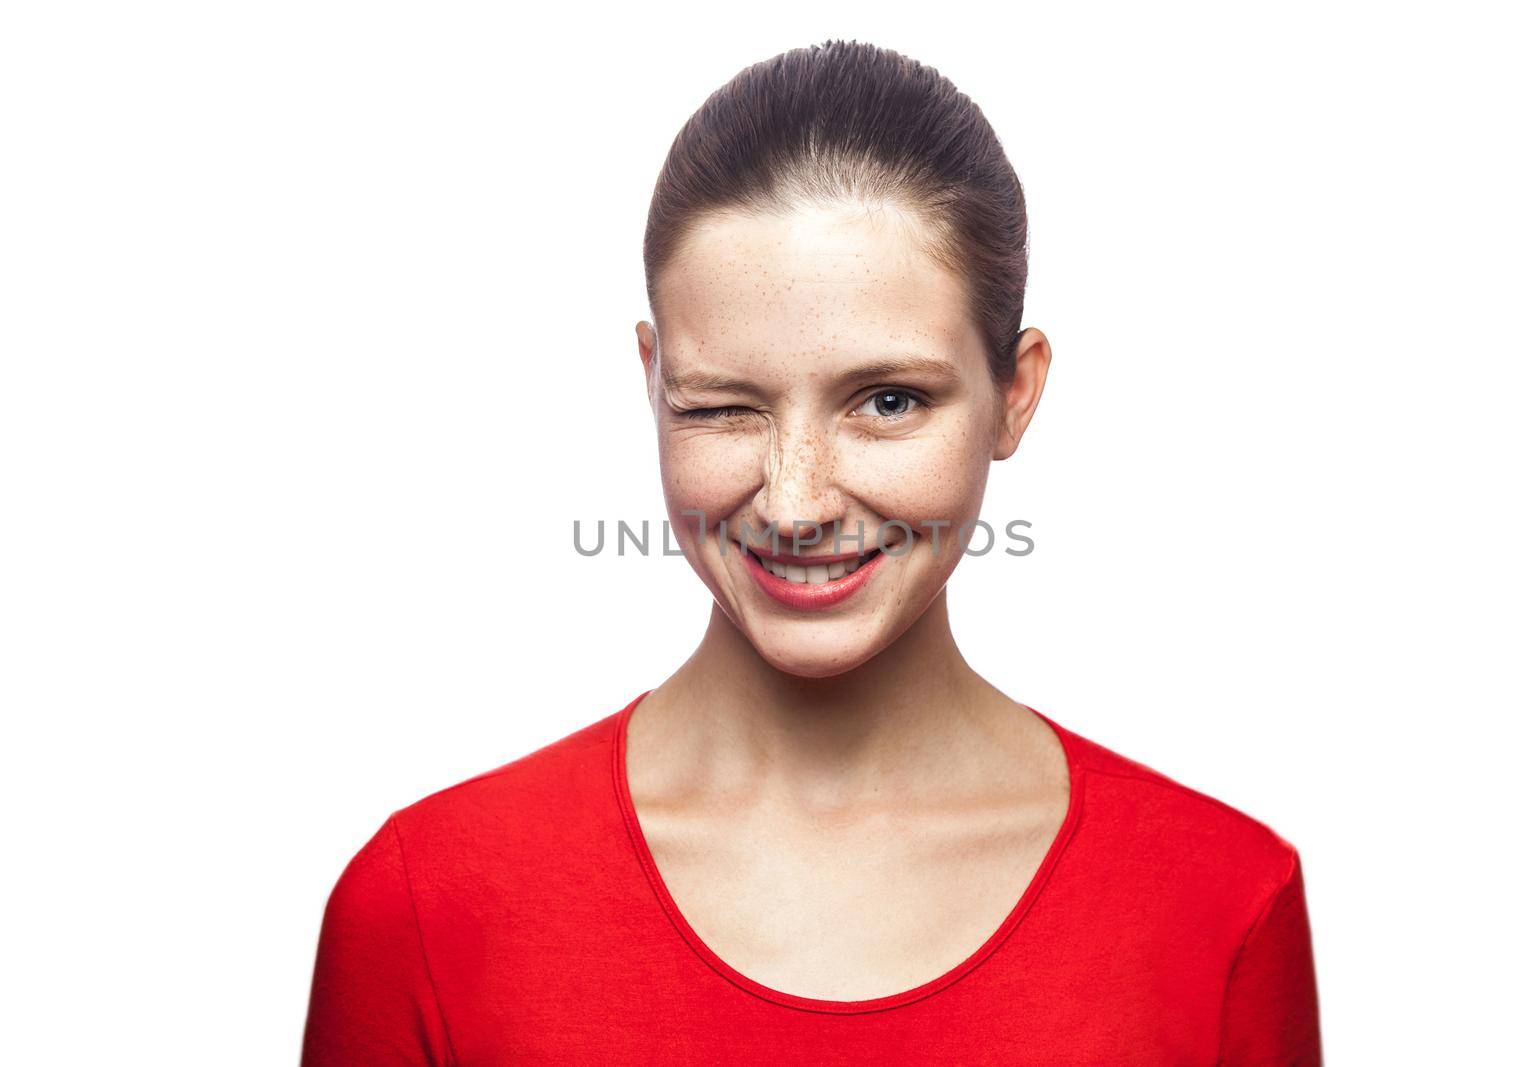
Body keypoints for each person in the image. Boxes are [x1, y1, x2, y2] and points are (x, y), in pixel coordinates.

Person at [301, 39, 1321, 1065]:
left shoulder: (1218, 904)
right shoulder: (427, 904)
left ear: (1014, 391)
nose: (794, 505)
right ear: (653, 381)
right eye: (721, 406)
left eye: (888, 401)